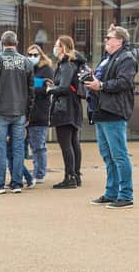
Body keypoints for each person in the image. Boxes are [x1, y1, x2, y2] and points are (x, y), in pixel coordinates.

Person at [85, 25, 138, 209]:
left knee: (119, 155)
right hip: (101, 110)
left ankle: (126, 195)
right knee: (107, 155)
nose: (106, 40)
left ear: (119, 41)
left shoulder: (127, 58)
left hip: (114, 111)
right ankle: (111, 192)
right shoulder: (108, 58)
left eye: (109, 37)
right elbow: (103, 79)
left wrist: (100, 85)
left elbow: (124, 82)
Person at [0, 31, 34, 195]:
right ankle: (16, 183)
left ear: (2, 43)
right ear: (16, 42)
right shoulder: (26, 62)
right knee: (18, 148)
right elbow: (31, 91)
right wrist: (28, 113)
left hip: (0, 110)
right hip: (19, 111)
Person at [48, 36, 85, 189]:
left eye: (57, 45)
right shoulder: (74, 63)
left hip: (65, 107)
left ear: (62, 47)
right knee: (74, 142)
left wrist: (50, 89)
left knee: (66, 144)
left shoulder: (66, 65)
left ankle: (69, 177)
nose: (55, 48)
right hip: (74, 106)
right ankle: (75, 175)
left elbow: (63, 88)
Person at [26, 44, 54, 183]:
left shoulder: (47, 70)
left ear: (41, 55)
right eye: (30, 55)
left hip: (40, 111)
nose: (32, 57)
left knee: (38, 145)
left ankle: (39, 173)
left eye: (35, 55)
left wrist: (30, 90)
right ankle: (33, 172)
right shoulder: (27, 68)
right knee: (29, 145)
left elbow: (47, 89)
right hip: (26, 112)